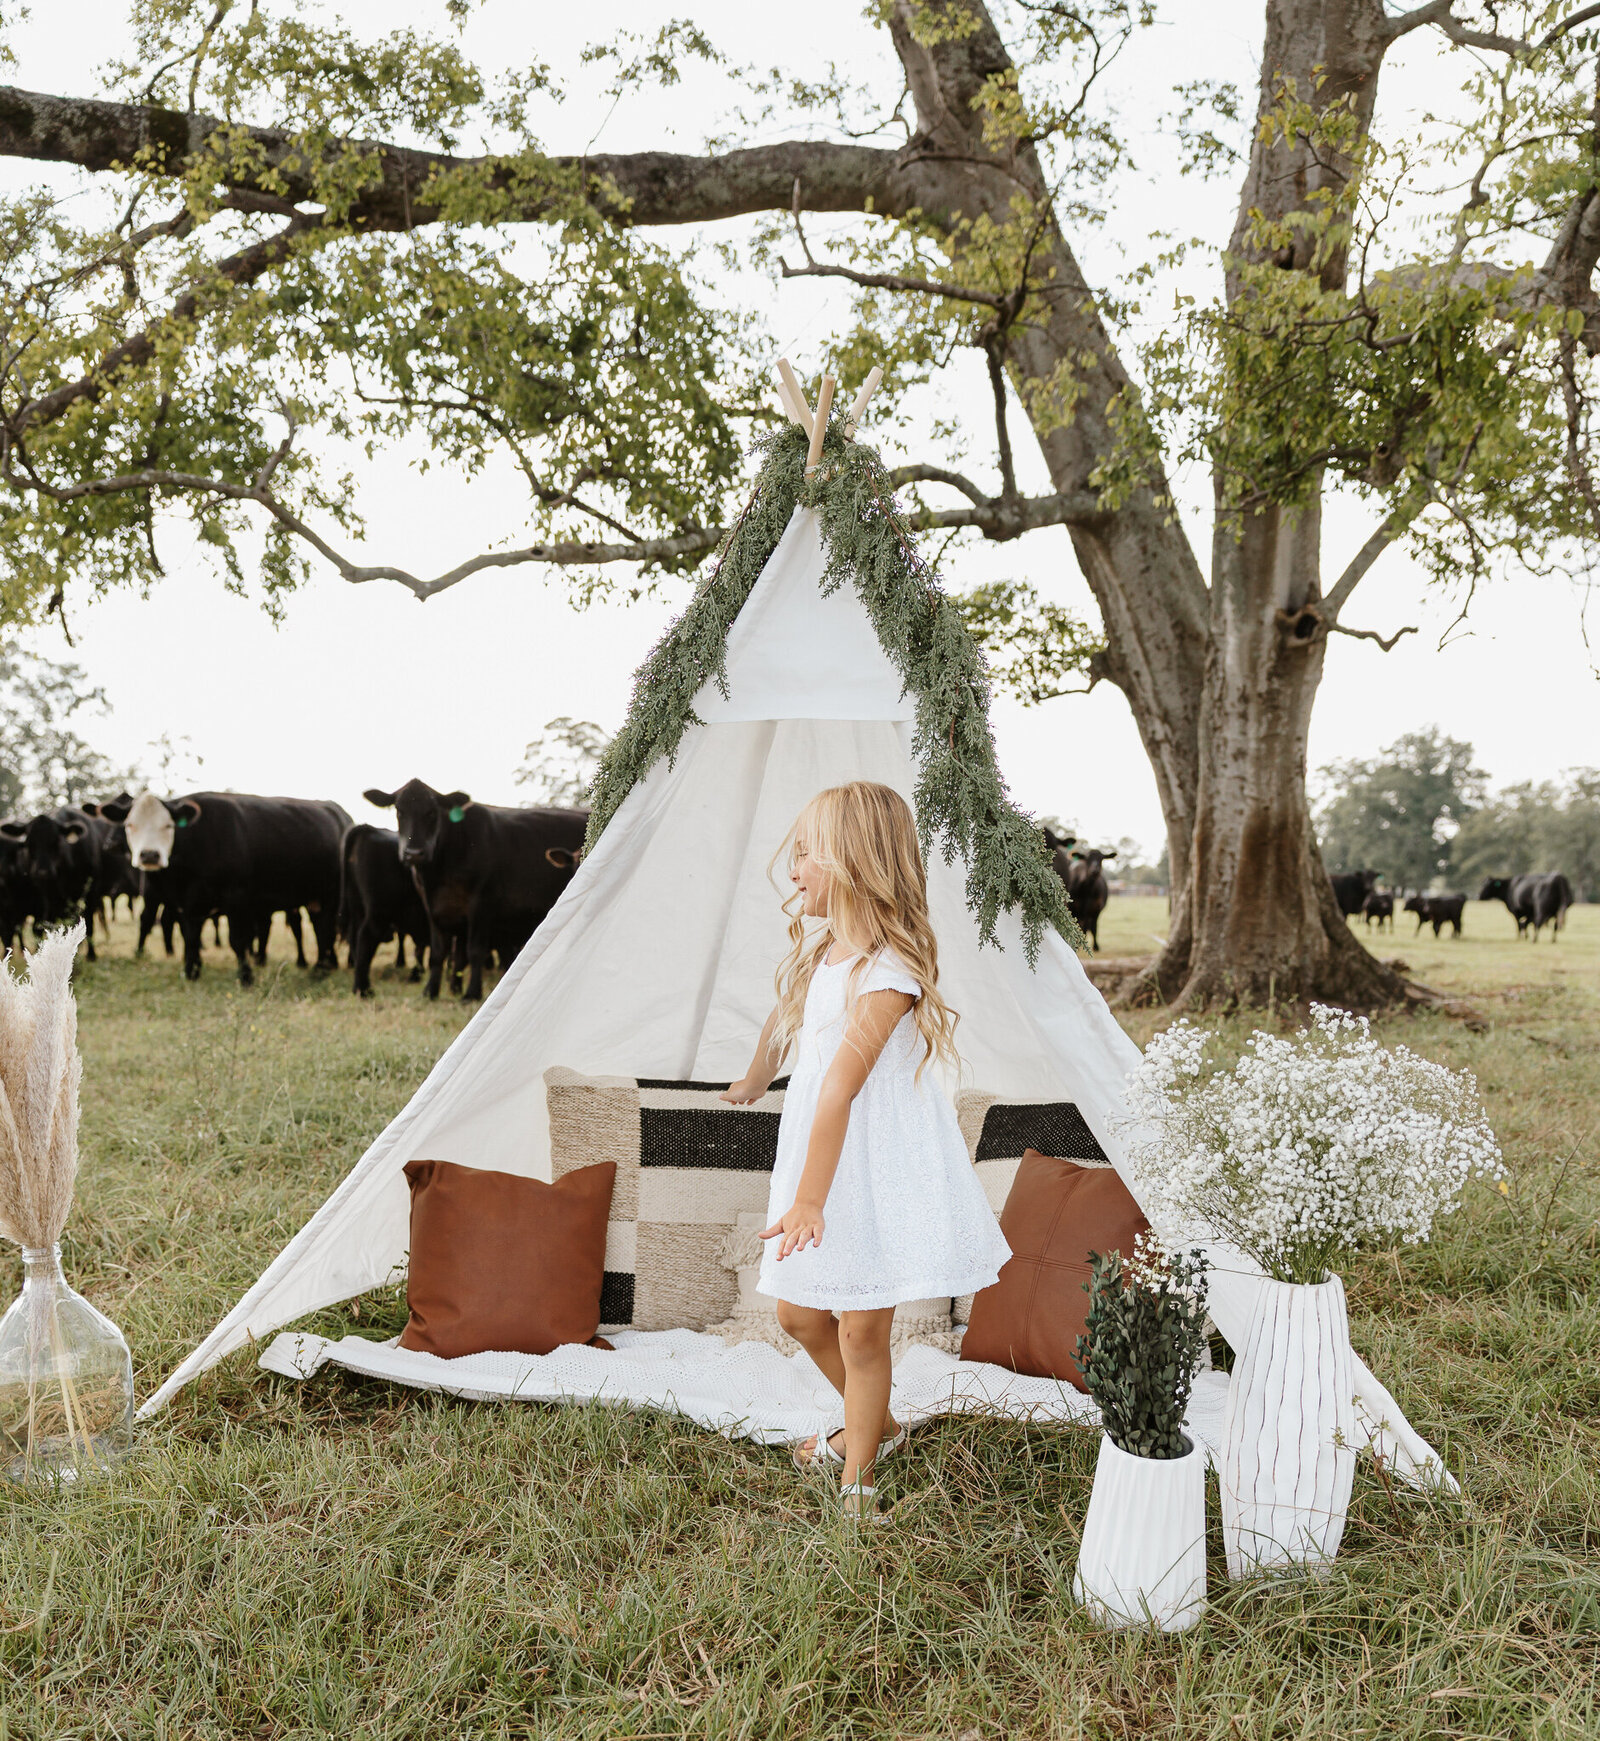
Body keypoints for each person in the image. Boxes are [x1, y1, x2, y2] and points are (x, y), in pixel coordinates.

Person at [721, 781, 1011, 1520]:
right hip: (820, 1156)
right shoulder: (825, 952)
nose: (794, 872)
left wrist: (810, 1198)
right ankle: (874, 1423)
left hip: (873, 1167)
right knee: (795, 1315)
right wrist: (757, 1074)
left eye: (807, 856)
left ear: (852, 864)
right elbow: (789, 1024)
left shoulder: (890, 975)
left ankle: (858, 1483)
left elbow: (842, 1089)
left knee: (860, 1329)